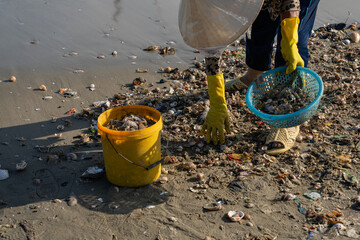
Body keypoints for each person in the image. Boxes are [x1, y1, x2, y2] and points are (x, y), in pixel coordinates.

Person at [200, 0, 320, 155]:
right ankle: (254, 75)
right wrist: (216, 100)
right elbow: (211, 44)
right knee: (258, 18)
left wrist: (290, 40)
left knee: (294, 39)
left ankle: (288, 119)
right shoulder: (203, 6)